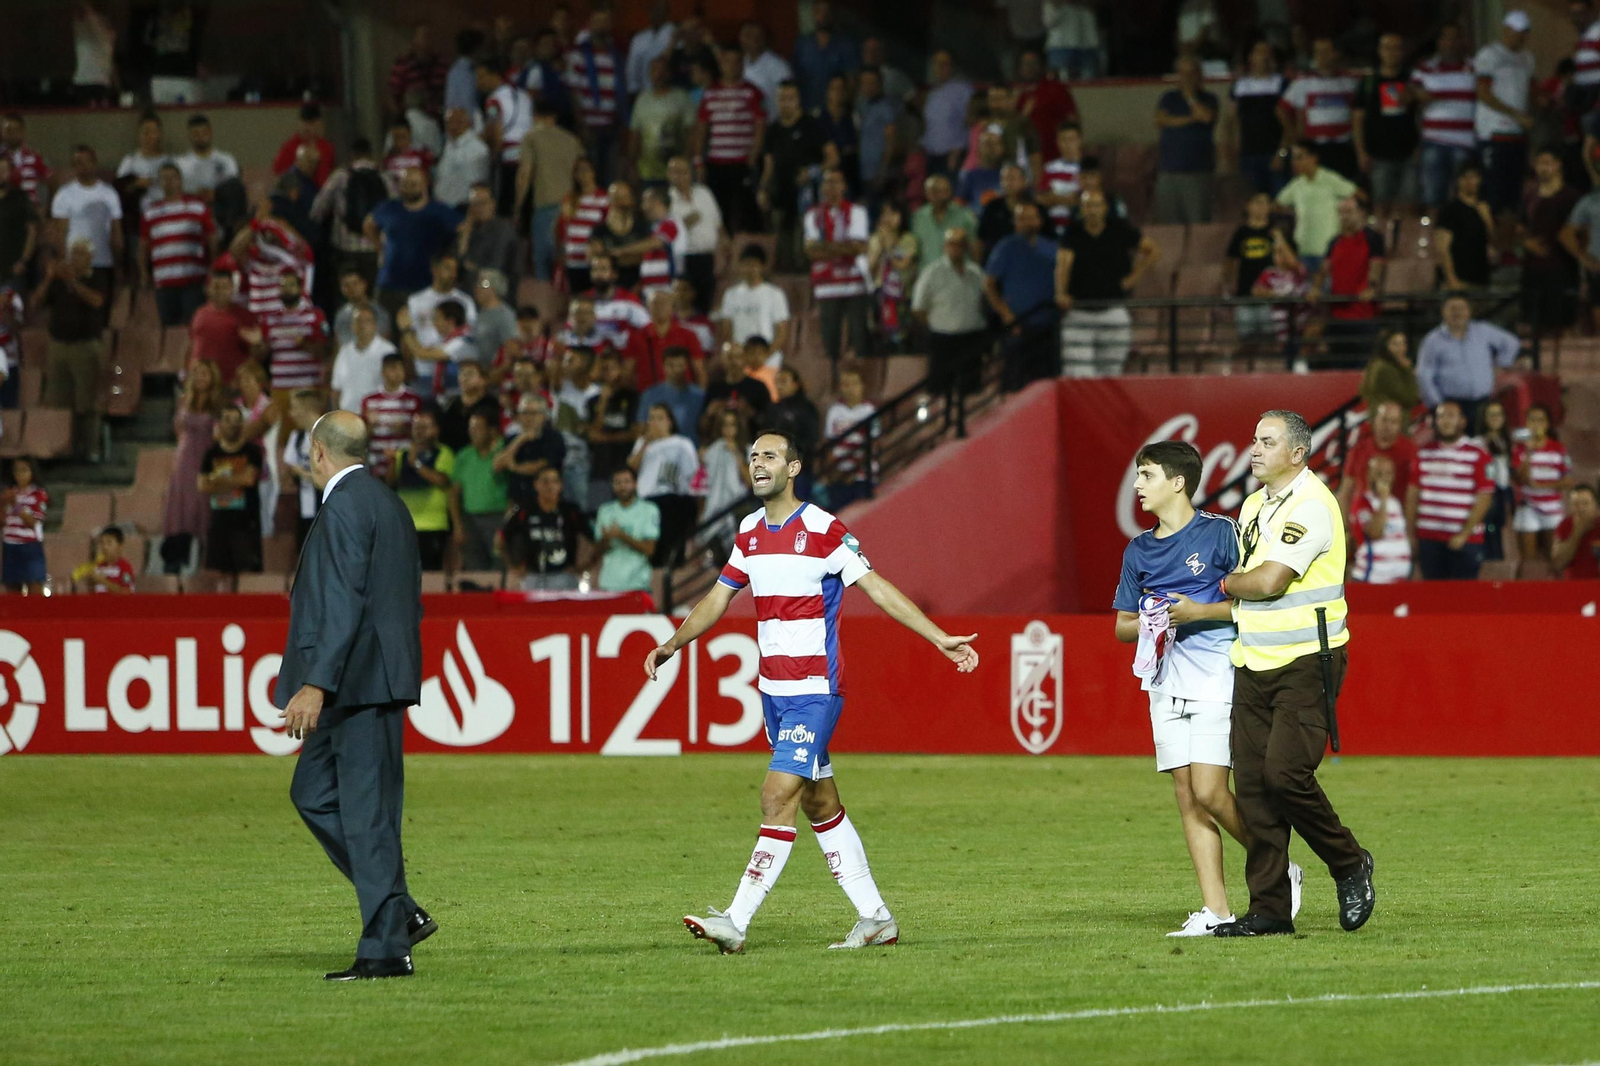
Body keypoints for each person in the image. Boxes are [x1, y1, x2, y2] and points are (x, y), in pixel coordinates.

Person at [657, 428, 979, 954]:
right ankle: (876, 918)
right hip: (774, 693)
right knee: (820, 802)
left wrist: (938, 637)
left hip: (814, 691)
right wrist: (673, 644)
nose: (758, 463)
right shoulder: (749, 531)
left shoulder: (823, 529)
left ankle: (735, 921)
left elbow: (876, 587)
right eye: (753, 456)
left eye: (769, 456)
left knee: (775, 795)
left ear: (793, 468)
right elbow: (717, 599)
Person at [1113, 441, 1296, 935]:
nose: (1137, 485)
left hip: (1217, 672)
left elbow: (1250, 602)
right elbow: (1122, 626)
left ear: (1177, 482)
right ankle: (1216, 910)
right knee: (1186, 794)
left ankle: (1276, 868)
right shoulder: (1138, 549)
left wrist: (1196, 613)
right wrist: (1152, 618)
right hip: (1163, 678)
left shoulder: (1221, 534)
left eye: (1146, 475)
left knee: (1212, 791)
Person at [276, 409, 431, 981]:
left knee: (366, 817)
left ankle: (385, 950)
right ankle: (398, 909)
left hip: (355, 685)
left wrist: (316, 683)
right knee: (313, 792)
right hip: (374, 679)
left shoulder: (343, 507)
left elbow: (342, 601)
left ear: (318, 453)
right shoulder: (389, 503)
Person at [1212, 410, 1374, 937]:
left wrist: (1226, 582)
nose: (1254, 449)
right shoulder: (1256, 503)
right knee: (1256, 788)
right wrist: (1237, 581)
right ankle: (1269, 911)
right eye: (1253, 439)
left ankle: (1349, 863)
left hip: (1307, 660)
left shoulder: (1313, 504)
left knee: (1285, 776)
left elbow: (1269, 581)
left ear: (1298, 453)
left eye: (1267, 441)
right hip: (1253, 659)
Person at [1057, 191, 1160, 379]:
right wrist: (1060, 293)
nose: (1092, 210)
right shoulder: (1073, 232)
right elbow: (1063, 264)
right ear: (1082, 209)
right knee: (1080, 375)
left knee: (1111, 375)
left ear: (1105, 208)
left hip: (1113, 310)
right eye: (1088, 205)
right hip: (1080, 311)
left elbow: (1152, 251)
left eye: (1097, 205)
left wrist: (1134, 277)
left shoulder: (1119, 228)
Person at [32, 240, 111, 461]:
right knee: (58, 399)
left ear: (89, 257)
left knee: (87, 400)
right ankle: (63, 447)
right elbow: (36, 303)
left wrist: (73, 282)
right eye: (72, 254)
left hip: (85, 346)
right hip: (58, 346)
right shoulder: (57, 281)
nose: (74, 259)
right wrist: (48, 278)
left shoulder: (97, 277)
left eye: (80, 254)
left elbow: (97, 301)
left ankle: (91, 449)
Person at [1406, 399, 1494, 580]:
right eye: (1441, 416)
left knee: (1463, 600)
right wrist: (1410, 534)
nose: (1445, 421)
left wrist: (1465, 533)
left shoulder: (1479, 455)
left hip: (1465, 541)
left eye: (1451, 416)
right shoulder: (1423, 453)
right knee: (1432, 597)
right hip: (1428, 538)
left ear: (1462, 421)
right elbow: (1413, 495)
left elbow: (1484, 497)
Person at [985, 200, 1062, 391]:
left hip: (1048, 325)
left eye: (1031, 217)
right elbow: (989, 284)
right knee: (1016, 382)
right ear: (1015, 222)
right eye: (1021, 218)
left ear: (1040, 220)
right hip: (1018, 325)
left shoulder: (1053, 247)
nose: (1026, 222)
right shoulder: (1006, 247)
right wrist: (1005, 314)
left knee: (1046, 383)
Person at [366, 168, 460, 319]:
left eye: (414, 184)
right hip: (389, 284)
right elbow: (369, 224)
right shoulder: (389, 207)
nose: (409, 188)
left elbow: (461, 228)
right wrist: (379, 248)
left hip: (424, 286)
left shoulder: (439, 211)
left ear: (425, 185)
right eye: (405, 184)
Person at [1414, 294, 1521, 420]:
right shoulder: (1432, 340)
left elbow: (1511, 343)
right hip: (1451, 404)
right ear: (1443, 311)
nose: (1457, 313)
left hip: (1483, 401)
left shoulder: (1483, 331)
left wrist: (1502, 364)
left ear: (1469, 311)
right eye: (1452, 308)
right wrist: (1437, 404)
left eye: (1461, 308)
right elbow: (1424, 375)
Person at [804, 168, 871, 369]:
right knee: (829, 339)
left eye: (836, 182)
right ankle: (832, 378)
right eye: (827, 182)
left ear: (844, 186)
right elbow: (810, 251)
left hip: (855, 283)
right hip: (826, 285)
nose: (831, 187)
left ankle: (860, 379)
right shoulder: (812, 214)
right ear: (822, 187)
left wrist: (826, 247)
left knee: (859, 335)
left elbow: (860, 247)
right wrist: (844, 248)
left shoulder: (858, 211)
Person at [912, 227, 987, 401]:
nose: (957, 248)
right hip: (943, 339)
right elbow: (918, 308)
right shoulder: (932, 272)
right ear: (945, 246)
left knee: (971, 389)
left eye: (961, 244)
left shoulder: (976, 272)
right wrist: (937, 325)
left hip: (971, 338)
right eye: (952, 243)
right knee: (940, 389)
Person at [515, 101, 585, 284]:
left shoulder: (531, 138)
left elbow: (524, 175)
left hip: (546, 207)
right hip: (572, 209)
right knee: (567, 260)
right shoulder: (572, 140)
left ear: (536, 116)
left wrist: (518, 206)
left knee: (543, 262)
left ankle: (545, 307)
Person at [1311, 197, 1385, 368]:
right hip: (1337, 315)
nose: (1344, 216)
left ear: (1361, 213)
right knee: (1339, 366)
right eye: (1341, 213)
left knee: (1363, 366)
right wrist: (1315, 288)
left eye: (1349, 212)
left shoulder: (1373, 238)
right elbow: (1323, 270)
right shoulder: (1334, 242)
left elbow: (1376, 266)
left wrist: (1371, 287)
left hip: (1364, 316)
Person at [1475, 12, 1536, 217]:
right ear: (1506, 30)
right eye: (1517, 32)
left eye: (1524, 33)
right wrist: (1515, 114)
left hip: (1517, 135)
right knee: (1494, 191)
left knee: (1513, 192)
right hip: (1494, 132)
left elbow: (1530, 90)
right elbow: (1483, 92)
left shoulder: (1527, 58)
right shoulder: (1490, 55)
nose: (1520, 37)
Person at [198, 405, 265, 591]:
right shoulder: (211, 453)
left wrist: (217, 480)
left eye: (237, 420)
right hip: (219, 522)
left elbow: (249, 479)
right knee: (218, 573)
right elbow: (203, 484)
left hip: (245, 522)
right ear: (220, 424)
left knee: (246, 571)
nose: (233, 425)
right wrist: (236, 480)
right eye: (228, 420)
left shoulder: (252, 451)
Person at [760, 81, 825, 272]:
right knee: (782, 253)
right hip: (780, 197)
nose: (785, 103)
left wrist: (811, 172)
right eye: (781, 98)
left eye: (790, 98)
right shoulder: (773, 130)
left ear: (798, 100)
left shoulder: (811, 125)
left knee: (802, 251)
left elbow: (832, 158)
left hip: (806, 199)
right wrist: (763, 190)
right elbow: (768, 166)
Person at [1411, 25, 1477, 212]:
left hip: (1465, 143)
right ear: (1440, 42)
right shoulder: (1425, 67)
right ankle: (1434, 239)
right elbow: (1407, 95)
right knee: (1433, 197)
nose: (1452, 43)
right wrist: (1418, 94)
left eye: (1456, 38)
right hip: (1434, 142)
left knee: (1464, 198)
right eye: (1447, 38)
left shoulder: (1474, 67)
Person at [141, 163, 215, 327]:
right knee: (169, 330)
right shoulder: (150, 212)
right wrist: (143, 272)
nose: (168, 182)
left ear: (180, 180)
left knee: (195, 327)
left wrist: (213, 265)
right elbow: (143, 246)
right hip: (165, 281)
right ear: (159, 183)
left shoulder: (197, 207)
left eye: (172, 177)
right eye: (164, 178)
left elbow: (212, 238)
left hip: (193, 281)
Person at [1352, 34, 1418, 214]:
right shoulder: (1368, 82)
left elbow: (1421, 114)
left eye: (1396, 48)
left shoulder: (1412, 79)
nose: (1392, 53)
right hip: (1377, 155)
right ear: (1380, 51)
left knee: (1408, 207)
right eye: (1387, 48)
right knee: (1381, 206)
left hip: (1408, 154)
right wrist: (1361, 152)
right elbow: (1357, 119)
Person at [565, 5, 629, 184]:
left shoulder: (616, 56)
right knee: (589, 176)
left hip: (612, 125)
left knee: (609, 176)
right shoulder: (579, 55)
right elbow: (574, 92)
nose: (601, 25)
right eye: (597, 21)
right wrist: (581, 124)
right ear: (590, 24)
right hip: (589, 126)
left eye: (605, 22)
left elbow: (621, 91)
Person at [629, 403, 700, 565]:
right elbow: (631, 468)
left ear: (670, 421)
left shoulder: (682, 443)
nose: (654, 422)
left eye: (659, 418)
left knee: (669, 550)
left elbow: (692, 472)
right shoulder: (643, 444)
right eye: (651, 418)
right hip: (645, 499)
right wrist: (646, 442)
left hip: (671, 499)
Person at [1153, 56, 1220, 224]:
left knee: (1198, 223)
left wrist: (1190, 98)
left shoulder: (1209, 99)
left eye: (1191, 73)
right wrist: (1191, 119)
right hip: (1169, 171)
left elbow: (1205, 117)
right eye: (1182, 73)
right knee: (1169, 225)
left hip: (1198, 172)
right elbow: (1161, 120)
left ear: (1199, 74)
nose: (1187, 78)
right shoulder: (1168, 98)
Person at [387, 408, 455, 571]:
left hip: (433, 525)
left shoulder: (443, 453)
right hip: (406, 526)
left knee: (431, 572)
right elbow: (390, 483)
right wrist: (391, 462)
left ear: (436, 430)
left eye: (425, 427)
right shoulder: (402, 454)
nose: (419, 431)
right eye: (416, 426)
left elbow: (442, 480)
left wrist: (416, 464)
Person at [1523, 146, 1580, 337]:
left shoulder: (1570, 197)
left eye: (1547, 163)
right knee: (1535, 323)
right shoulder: (1529, 195)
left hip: (1562, 269)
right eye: (1539, 164)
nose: (1543, 168)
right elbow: (1519, 226)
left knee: (1562, 323)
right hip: (1533, 269)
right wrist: (1525, 243)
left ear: (1558, 165)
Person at [1275, 142, 1358, 273]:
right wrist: (1292, 212)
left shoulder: (1329, 179)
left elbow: (1358, 195)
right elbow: (1277, 205)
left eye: (1299, 157)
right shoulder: (1297, 184)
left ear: (1313, 158)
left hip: (1327, 250)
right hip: (1303, 249)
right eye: (1293, 158)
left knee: (1325, 291)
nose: (1294, 162)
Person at [507, 465, 592, 591]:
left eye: (555, 481)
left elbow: (594, 541)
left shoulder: (570, 511)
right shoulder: (525, 511)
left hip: (563, 576)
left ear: (561, 485)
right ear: (536, 485)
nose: (550, 486)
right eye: (545, 481)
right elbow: (501, 540)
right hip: (533, 577)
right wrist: (512, 566)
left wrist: (583, 567)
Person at [51, 146, 123, 291]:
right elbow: (60, 233)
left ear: (94, 162)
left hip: (103, 262)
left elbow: (116, 233)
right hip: (75, 265)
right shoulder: (64, 194)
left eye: (86, 161)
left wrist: (118, 264)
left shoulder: (109, 194)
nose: (83, 166)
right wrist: (64, 263)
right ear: (73, 166)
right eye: (78, 162)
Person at [259, 269, 332, 410]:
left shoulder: (315, 316)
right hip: (280, 387)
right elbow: (262, 356)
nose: (286, 289)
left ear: (300, 288)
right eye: (283, 286)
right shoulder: (270, 319)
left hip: (307, 386)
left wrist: (304, 343)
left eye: (291, 285)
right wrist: (261, 345)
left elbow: (325, 351)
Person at [448, 409, 509, 573]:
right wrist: (457, 525)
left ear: (492, 430)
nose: (472, 433)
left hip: (499, 517)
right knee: (474, 569)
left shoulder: (505, 451)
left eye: (478, 429)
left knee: (500, 566)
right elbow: (454, 493)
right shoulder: (464, 455)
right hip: (470, 520)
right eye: (471, 429)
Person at [1512, 403, 1573, 565]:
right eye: (1532, 420)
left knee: (1553, 559)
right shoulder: (1519, 449)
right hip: (1528, 507)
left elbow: (1568, 480)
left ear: (1546, 424)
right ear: (1526, 424)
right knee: (1528, 561)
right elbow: (1520, 479)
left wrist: (1541, 486)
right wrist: (1529, 452)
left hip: (1552, 508)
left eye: (1540, 420)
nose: (1536, 424)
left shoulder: (1559, 448)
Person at [1336, 399, 1417, 516]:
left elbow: (1413, 494)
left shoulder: (1410, 450)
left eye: (1393, 421)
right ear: (1374, 421)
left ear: (1400, 424)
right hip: (1362, 519)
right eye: (1384, 420)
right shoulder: (1358, 450)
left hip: (1397, 521)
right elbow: (1346, 491)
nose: (1387, 426)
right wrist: (1345, 527)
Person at [665, 155, 723, 315]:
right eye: (674, 172)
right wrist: (685, 223)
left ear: (690, 174)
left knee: (706, 302)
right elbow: (665, 231)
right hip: (684, 258)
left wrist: (723, 249)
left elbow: (718, 224)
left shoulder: (704, 193)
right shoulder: (666, 199)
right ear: (668, 174)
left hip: (707, 256)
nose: (679, 176)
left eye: (683, 172)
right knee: (684, 303)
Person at [475, 60, 533, 216]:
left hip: (509, 160)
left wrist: (493, 156)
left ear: (494, 75)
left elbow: (496, 132)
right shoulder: (523, 94)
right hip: (529, 157)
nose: (478, 82)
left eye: (481, 77)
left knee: (506, 206)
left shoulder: (494, 101)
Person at [1232, 40, 1288, 196]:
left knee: (1279, 202)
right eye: (1259, 52)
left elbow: (1289, 125)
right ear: (1251, 57)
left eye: (1267, 52)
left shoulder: (1281, 84)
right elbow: (1233, 121)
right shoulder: (1240, 86)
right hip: (1249, 156)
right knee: (1253, 201)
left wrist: (1282, 153)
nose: (1263, 57)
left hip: (1274, 155)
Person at [631, 56, 695, 192]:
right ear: (649, 73)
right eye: (654, 70)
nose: (659, 74)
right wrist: (632, 165)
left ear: (670, 73)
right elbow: (635, 134)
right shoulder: (642, 100)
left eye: (663, 70)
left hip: (676, 172)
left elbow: (691, 133)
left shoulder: (681, 97)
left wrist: (687, 161)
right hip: (647, 171)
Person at [585, 349, 639, 508]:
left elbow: (634, 434)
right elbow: (593, 435)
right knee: (597, 513)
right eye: (603, 368)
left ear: (620, 370)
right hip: (600, 468)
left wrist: (606, 438)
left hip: (625, 467)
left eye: (611, 368)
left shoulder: (633, 397)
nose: (607, 373)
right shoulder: (593, 401)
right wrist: (602, 403)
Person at [715, 244, 790, 359]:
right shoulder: (731, 294)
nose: (749, 268)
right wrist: (736, 353)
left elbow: (781, 331)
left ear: (763, 267)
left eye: (754, 264)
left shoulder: (775, 294)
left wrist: (765, 355)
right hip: (740, 359)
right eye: (745, 264)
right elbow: (726, 327)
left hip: (767, 360)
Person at [497, 393, 569, 511]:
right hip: (517, 502)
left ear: (544, 416)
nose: (528, 417)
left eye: (534, 413)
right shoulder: (512, 438)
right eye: (524, 413)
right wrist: (520, 439)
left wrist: (513, 467)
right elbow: (497, 465)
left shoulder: (554, 438)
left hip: (546, 504)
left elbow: (538, 467)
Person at [1348, 454, 1412, 584]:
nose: (1384, 478)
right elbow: (1375, 532)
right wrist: (1383, 500)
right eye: (1379, 473)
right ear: (1369, 475)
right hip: (1372, 579)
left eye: (1388, 473)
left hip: (1398, 580)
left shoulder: (1395, 503)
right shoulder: (1363, 502)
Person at [592, 466, 658, 591]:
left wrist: (621, 535)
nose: (622, 486)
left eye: (626, 482)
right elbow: (597, 552)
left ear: (635, 484)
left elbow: (649, 549)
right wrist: (606, 539)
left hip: (638, 584)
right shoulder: (605, 510)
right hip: (608, 583)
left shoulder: (649, 509)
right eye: (618, 482)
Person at [1226, 193, 1278, 348]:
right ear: (1248, 206)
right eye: (1258, 202)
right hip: (1245, 294)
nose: (1261, 207)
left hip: (1269, 296)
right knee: (1247, 342)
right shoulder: (1241, 233)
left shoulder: (1276, 233)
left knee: (1270, 342)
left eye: (1265, 203)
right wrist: (1230, 283)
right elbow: (1231, 260)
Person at [361, 353, 424, 478]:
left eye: (400, 368)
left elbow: (420, 436)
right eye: (392, 368)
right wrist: (371, 426)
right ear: (383, 372)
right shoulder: (369, 400)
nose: (397, 373)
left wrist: (404, 429)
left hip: (403, 463)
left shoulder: (414, 399)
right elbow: (362, 438)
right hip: (376, 463)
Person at [822, 364, 876, 508]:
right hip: (839, 474)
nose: (850, 389)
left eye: (854, 384)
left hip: (861, 476)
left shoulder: (869, 411)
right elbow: (829, 443)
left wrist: (853, 471)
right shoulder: (835, 411)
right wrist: (832, 470)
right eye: (846, 384)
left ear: (862, 386)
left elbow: (873, 444)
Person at [866, 201, 917, 352]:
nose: (888, 218)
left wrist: (888, 246)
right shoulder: (875, 240)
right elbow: (869, 270)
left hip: (902, 295)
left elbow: (903, 265)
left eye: (893, 214)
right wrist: (879, 247)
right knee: (880, 339)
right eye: (885, 214)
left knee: (901, 340)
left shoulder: (909, 239)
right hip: (880, 294)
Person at [910, 175, 978, 284]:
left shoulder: (965, 216)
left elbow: (974, 248)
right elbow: (915, 250)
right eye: (934, 191)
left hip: (958, 279)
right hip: (927, 279)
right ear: (927, 193)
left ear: (950, 192)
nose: (939, 195)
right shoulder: (918, 217)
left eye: (943, 190)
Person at [1437, 161, 1494, 291]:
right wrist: (1452, 280)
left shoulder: (1483, 208)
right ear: (1458, 180)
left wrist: (1487, 219)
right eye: (1465, 177)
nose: (1470, 181)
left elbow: (1492, 242)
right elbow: (1443, 249)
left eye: (1474, 177)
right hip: (1459, 281)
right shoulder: (1450, 210)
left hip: (1481, 279)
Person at [279, 389, 324, 552]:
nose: (291, 414)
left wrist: (307, 475)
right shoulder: (297, 438)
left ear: (307, 409)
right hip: (304, 504)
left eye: (294, 408)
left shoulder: (328, 435)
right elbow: (291, 466)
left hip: (326, 506)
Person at [456, 184, 519, 298]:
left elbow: (494, 270)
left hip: (495, 293)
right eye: (474, 204)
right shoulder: (468, 229)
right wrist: (465, 237)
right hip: (467, 292)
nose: (477, 208)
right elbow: (454, 265)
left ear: (493, 204)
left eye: (482, 203)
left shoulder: (503, 229)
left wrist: (468, 266)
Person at [331, 308, 397, 415]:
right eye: (358, 321)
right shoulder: (344, 352)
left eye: (367, 321)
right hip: (349, 416)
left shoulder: (388, 350)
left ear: (375, 325)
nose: (362, 325)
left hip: (378, 416)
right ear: (352, 326)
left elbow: (395, 386)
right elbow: (336, 389)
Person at [921, 51, 974, 178]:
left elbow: (969, 122)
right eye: (937, 64)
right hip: (931, 155)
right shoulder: (932, 94)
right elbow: (931, 125)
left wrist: (956, 152)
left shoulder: (963, 89)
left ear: (952, 67)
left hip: (952, 156)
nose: (940, 68)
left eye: (945, 64)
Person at [855, 67, 900, 209]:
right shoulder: (863, 105)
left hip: (879, 173)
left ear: (879, 84)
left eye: (871, 83)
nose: (868, 87)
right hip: (864, 171)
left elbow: (891, 139)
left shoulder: (886, 107)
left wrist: (883, 170)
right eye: (864, 83)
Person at [1, 456, 47, 595]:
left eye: (24, 470)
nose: (20, 474)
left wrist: (15, 505)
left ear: (32, 472)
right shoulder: (8, 493)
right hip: (10, 545)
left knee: (34, 588)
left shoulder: (38, 494)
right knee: (12, 590)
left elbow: (33, 522)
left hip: (30, 546)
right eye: (16, 471)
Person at [174, 115, 240, 204]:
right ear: (189, 135)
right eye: (196, 134)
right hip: (191, 206)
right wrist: (196, 193)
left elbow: (233, 187)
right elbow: (177, 190)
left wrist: (215, 193)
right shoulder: (180, 163)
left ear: (210, 132)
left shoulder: (226, 159)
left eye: (204, 133)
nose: (201, 137)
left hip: (222, 206)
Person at [438, 360, 500, 452]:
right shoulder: (452, 404)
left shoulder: (491, 404)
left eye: (469, 374)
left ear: (483, 380)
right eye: (461, 374)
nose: (464, 378)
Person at [272, 104, 335, 188]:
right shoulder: (289, 147)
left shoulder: (326, 148)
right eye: (304, 122)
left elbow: (330, 174)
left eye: (311, 123)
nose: (307, 127)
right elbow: (278, 172)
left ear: (319, 124)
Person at [1358, 330, 1420, 415]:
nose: (1401, 348)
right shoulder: (1385, 369)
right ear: (1385, 345)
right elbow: (1410, 398)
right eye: (1395, 344)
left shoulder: (1376, 364)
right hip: (1390, 421)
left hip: (1383, 419)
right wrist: (1407, 370)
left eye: (1403, 343)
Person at [818, 75, 861, 196]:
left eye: (841, 89)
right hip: (826, 179)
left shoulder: (852, 118)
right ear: (828, 91)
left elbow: (855, 149)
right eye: (834, 89)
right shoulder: (819, 119)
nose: (838, 93)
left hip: (849, 178)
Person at [0, 156, 39, 283]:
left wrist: (23, 260)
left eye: (3, 170)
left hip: (12, 272)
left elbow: (32, 231)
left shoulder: (20, 198)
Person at [3, 114, 55, 209]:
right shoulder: (1, 157)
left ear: (23, 132)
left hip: (30, 212)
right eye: (8, 130)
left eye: (16, 130)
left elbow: (51, 182)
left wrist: (48, 209)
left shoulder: (35, 158)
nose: (12, 134)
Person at [332, 269, 394, 347]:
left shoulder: (380, 312)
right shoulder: (340, 315)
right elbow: (337, 345)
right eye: (346, 285)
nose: (351, 288)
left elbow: (384, 342)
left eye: (355, 284)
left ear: (364, 284)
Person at [1552, 482, 1600, 578]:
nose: (1581, 508)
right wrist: (1577, 533)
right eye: (1576, 504)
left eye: (1585, 503)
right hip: (1573, 586)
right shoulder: (1565, 525)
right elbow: (1558, 563)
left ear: (1596, 506)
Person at [73, 523, 135, 594]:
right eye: (102, 543)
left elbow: (127, 593)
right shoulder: (99, 566)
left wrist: (103, 581)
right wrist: (90, 583)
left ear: (120, 546)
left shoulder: (125, 567)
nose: (104, 547)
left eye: (109, 543)